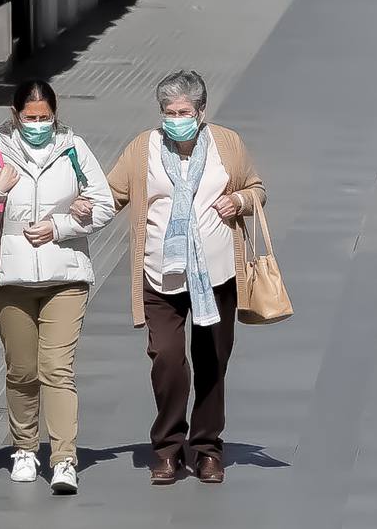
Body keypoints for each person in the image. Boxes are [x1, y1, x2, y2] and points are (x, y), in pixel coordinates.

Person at [106, 71, 267, 486]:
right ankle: (167, 447)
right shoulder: (144, 148)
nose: (175, 119)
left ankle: (208, 448)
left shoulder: (227, 144)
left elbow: (257, 189)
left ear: (201, 111)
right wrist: (76, 212)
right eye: (168, 112)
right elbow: (111, 194)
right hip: (160, 274)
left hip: (217, 275)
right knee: (168, 360)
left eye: (183, 112)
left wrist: (239, 200)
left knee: (213, 361)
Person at [0, 79, 116, 494]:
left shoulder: (74, 149)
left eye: (45, 117)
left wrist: (61, 224)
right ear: (15, 116)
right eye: (30, 118)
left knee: (56, 369)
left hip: (65, 277)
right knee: (23, 370)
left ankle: (64, 459)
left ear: (55, 113)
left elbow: (104, 205)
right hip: (11, 281)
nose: (38, 125)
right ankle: (25, 448)